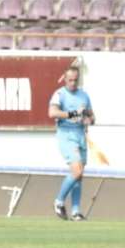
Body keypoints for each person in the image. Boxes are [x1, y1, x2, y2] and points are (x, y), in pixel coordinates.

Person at [49, 64, 94, 221]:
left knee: (79, 175)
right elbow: (52, 112)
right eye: (70, 80)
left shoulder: (84, 96)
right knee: (76, 171)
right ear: (65, 79)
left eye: (75, 80)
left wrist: (89, 119)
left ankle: (75, 211)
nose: (73, 83)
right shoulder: (59, 94)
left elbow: (91, 116)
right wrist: (72, 114)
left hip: (80, 135)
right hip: (66, 135)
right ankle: (59, 201)